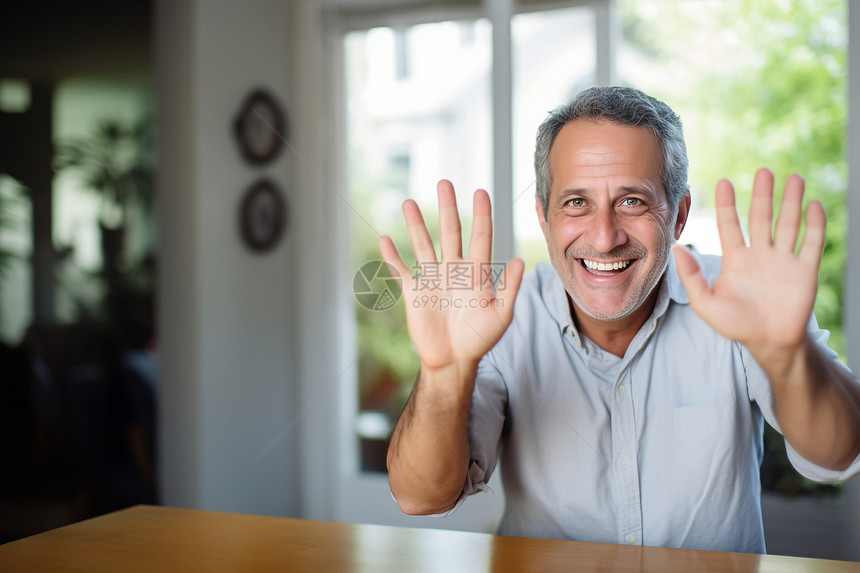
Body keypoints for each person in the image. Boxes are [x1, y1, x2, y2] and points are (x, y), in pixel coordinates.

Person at [379, 86, 860, 553]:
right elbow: (421, 497)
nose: (605, 238)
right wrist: (444, 374)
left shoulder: (743, 298)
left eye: (632, 201)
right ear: (544, 220)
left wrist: (789, 357)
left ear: (678, 216)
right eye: (576, 203)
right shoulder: (499, 315)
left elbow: (837, 455)